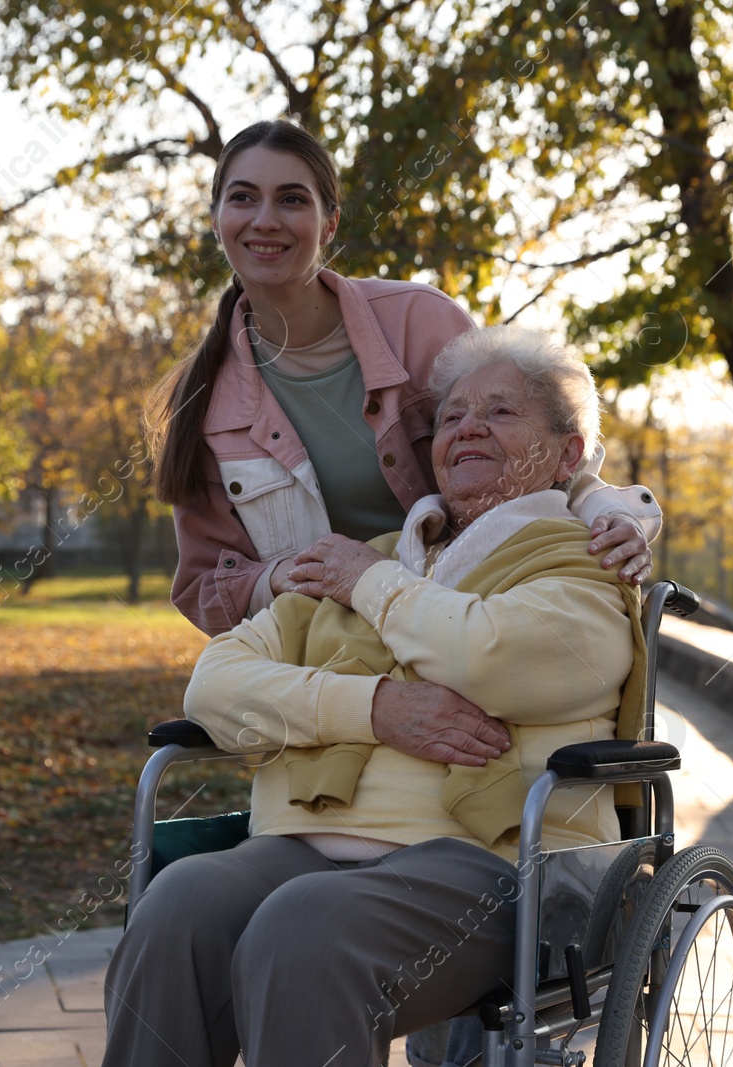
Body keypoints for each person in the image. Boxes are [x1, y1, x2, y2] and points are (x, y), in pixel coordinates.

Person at [104, 327, 648, 1067]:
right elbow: (217, 685)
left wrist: (370, 585)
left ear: (567, 453)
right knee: (178, 907)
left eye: (501, 412)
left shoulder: (584, 567)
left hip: (492, 868)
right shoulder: (373, 557)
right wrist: (373, 707)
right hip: (305, 844)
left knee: (303, 929)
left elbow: (486, 654)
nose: (468, 428)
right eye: (451, 416)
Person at [144, 118, 662, 642]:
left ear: (329, 224)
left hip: (468, 619)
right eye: (243, 198)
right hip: (326, 655)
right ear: (216, 220)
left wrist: (611, 515)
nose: (266, 219)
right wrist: (282, 576)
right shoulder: (204, 401)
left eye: (293, 200)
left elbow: (540, 451)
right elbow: (203, 587)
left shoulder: (422, 323)